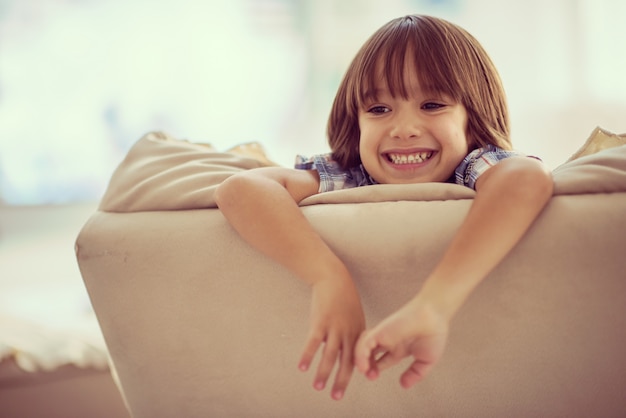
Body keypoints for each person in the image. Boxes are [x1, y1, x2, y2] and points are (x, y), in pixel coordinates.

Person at [214, 14, 553, 401]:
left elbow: (527, 176)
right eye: (378, 110)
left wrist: (433, 306)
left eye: (431, 104)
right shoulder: (352, 175)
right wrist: (327, 277)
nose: (403, 128)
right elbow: (241, 189)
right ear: (356, 126)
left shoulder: (471, 166)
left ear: (473, 122)